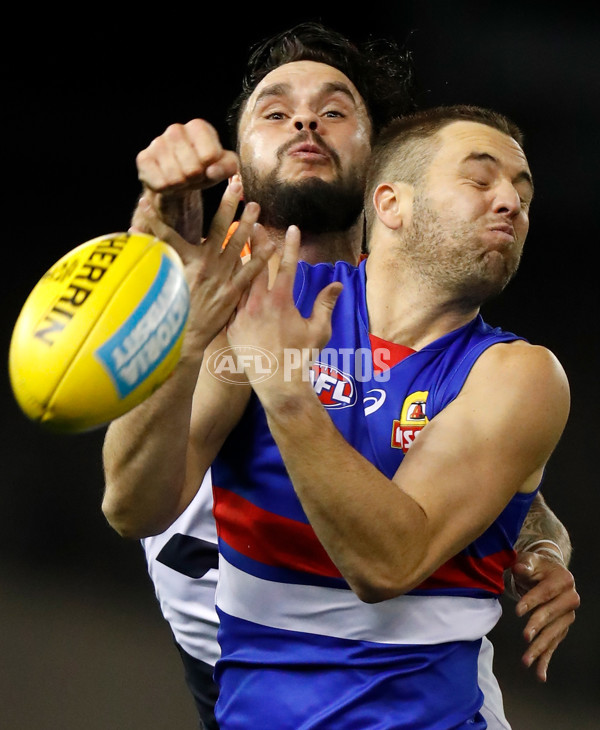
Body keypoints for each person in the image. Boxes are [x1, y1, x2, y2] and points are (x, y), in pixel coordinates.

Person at [102, 24, 578, 729]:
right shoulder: (217, 294)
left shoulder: (499, 367)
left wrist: (537, 533)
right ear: (235, 163)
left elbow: (438, 498)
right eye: (274, 110)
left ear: (382, 175)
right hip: (230, 673)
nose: (304, 121)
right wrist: (176, 311)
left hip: (412, 691)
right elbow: (129, 500)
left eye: (335, 111)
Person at [211, 103, 571, 727]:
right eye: (480, 180)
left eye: (523, 193)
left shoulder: (520, 373)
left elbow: (388, 563)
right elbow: (129, 505)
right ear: (390, 204)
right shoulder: (269, 295)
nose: (510, 202)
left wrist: (287, 390)